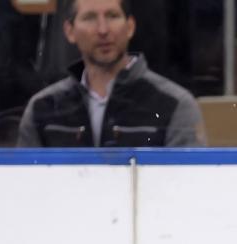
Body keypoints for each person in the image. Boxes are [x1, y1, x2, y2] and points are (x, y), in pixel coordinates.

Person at [17, 0, 206, 147]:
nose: (103, 30)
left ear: (130, 27)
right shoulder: (41, 108)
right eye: (90, 17)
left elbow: (188, 188)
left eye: (112, 16)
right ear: (70, 31)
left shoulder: (175, 104)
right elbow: (26, 188)